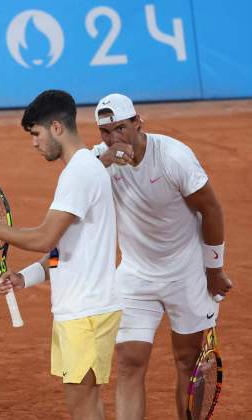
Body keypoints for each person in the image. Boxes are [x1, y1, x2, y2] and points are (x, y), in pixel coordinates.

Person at [0, 89, 122, 420]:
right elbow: (59, 250)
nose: (33, 143)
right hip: (86, 309)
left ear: (56, 127)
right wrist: (26, 277)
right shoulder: (82, 169)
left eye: (35, 134)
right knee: (87, 403)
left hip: (86, 313)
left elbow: (44, 237)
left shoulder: (78, 173)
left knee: (82, 406)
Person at [91, 93, 233, 420]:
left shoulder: (173, 157)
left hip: (187, 274)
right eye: (106, 132)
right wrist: (104, 162)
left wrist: (214, 269)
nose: (114, 138)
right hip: (136, 276)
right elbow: (75, 184)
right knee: (129, 362)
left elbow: (210, 209)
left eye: (121, 128)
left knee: (187, 362)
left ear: (138, 122)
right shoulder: (100, 160)